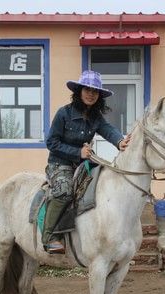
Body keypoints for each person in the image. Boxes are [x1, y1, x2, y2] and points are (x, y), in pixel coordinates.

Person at [43, 70, 131, 254]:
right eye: (87, 89)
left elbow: (107, 129)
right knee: (65, 192)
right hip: (60, 164)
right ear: (79, 91)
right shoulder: (63, 114)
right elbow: (51, 143)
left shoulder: (95, 118)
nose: (91, 94)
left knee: (106, 183)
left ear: (99, 96)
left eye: (95, 91)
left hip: (84, 164)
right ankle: (50, 237)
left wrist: (119, 141)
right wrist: (78, 152)